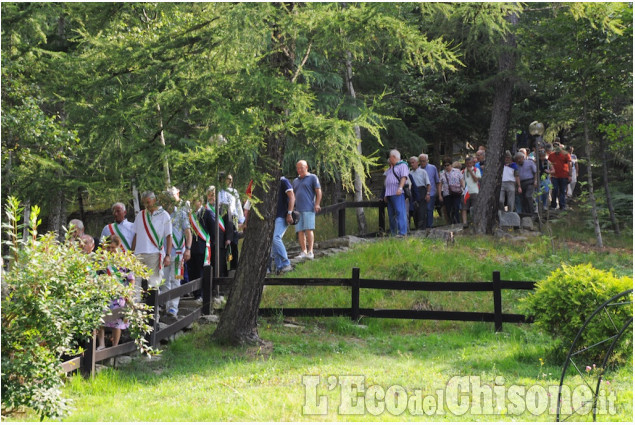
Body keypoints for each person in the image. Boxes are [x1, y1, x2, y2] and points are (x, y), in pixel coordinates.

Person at [131, 191, 172, 298]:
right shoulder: (140, 215)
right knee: (135, 283)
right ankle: (135, 310)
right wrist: (131, 253)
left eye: (148, 202)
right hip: (138, 253)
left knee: (153, 284)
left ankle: (154, 312)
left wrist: (168, 255)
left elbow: (169, 236)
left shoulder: (164, 215)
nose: (146, 205)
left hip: (154, 253)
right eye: (144, 203)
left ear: (154, 200)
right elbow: (135, 235)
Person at [96, 235, 133, 350]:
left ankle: (115, 346)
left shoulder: (124, 261)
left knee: (117, 321)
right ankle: (101, 344)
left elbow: (131, 278)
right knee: (100, 319)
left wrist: (129, 292)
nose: (110, 250)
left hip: (119, 295)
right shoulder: (101, 260)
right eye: (108, 247)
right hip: (104, 294)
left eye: (113, 247)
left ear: (118, 246)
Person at [163, 187, 192, 318]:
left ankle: (173, 308)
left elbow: (188, 233)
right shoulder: (161, 214)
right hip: (164, 254)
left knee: (176, 280)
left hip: (178, 253)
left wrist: (188, 249)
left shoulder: (181, 213)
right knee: (164, 281)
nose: (169, 203)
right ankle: (165, 305)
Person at [188, 194, 215, 303]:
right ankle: (195, 293)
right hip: (191, 247)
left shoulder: (207, 213)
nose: (193, 203)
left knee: (201, 271)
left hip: (202, 247)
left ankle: (201, 294)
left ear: (200, 201)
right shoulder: (190, 215)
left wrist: (211, 244)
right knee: (192, 270)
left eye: (195, 200)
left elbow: (213, 231)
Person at [293, 160, 322, 259]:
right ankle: (303, 251)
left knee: (309, 229)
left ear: (306, 167)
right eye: (298, 168)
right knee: (300, 231)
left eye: (301, 167)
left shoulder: (313, 177)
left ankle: (310, 252)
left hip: (309, 208)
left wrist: (317, 204)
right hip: (297, 210)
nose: (299, 170)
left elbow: (318, 192)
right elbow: (293, 195)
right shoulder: (295, 181)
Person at [218, 174, 244, 271]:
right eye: (227, 179)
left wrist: (241, 220)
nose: (229, 181)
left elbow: (238, 206)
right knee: (223, 243)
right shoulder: (218, 192)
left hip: (233, 217)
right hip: (222, 218)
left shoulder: (234, 192)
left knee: (234, 243)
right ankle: (223, 269)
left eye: (230, 179)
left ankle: (234, 268)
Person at [383, 149, 409, 236]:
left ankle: (402, 232)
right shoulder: (391, 168)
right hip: (390, 194)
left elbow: (404, 177)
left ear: (393, 157)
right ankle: (393, 232)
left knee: (400, 212)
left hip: (397, 193)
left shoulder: (402, 165)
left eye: (390, 157)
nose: (389, 159)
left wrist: (400, 188)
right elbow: (387, 182)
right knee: (391, 214)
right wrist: (386, 194)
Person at [272, 176, 295, 273]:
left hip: (283, 215)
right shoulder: (271, 182)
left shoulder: (283, 181)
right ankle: (279, 267)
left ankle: (286, 264)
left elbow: (292, 197)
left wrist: (289, 213)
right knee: (273, 242)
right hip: (274, 216)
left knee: (275, 238)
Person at [440, 157, 464, 225]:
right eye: (445, 165)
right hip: (447, 193)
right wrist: (439, 195)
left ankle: (457, 222)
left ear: (451, 164)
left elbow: (461, 180)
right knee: (449, 209)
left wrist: (463, 188)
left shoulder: (457, 171)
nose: (447, 167)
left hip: (457, 192)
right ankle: (450, 222)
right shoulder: (442, 174)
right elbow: (440, 184)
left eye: (448, 165)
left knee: (456, 207)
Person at [419, 154, 441, 228]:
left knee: (429, 209)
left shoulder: (432, 168)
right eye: (421, 161)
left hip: (431, 192)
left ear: (427, 160)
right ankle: (424, 225)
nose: (422, 163)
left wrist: (438, 192)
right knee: (423, 210)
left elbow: (437, 180)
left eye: (424, 161)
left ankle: (429, 225)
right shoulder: (418, 169)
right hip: (421, 193)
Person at [548, 142, 572, 210]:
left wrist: (570, 175)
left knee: (563, 190)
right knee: (554, 190)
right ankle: (553, 205)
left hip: (564, 175)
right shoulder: (551, 155)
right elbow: (549, 164)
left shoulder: (566, 154)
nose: (557, 148)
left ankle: (562, 205)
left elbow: (570, 164)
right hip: (554, 176)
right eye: (555, 146)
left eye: (558, 146)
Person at [408, 156, 430, 230]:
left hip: (422, 191)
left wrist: (428, 194)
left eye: (413, 162)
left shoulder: (423, 172)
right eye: (410, 163)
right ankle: (417, 228)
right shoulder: (410, 173)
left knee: (422, 211)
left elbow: (428, 184)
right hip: (413, 192)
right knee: (415, 211)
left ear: (417, 163)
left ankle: (422, 229)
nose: (412, 164)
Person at [461, 155, 481, 228]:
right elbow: (462, 180)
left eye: (470, 163)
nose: (469, 165)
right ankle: (465, 223)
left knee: (475, 207)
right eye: (467, 163)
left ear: (473, 163)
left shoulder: (476, 170)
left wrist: (471, 172)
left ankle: (475, 222)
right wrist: (463, 186)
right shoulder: (463, 171)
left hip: (474, 191)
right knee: (464, 208)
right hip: (466, 192)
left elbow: (476, 180)